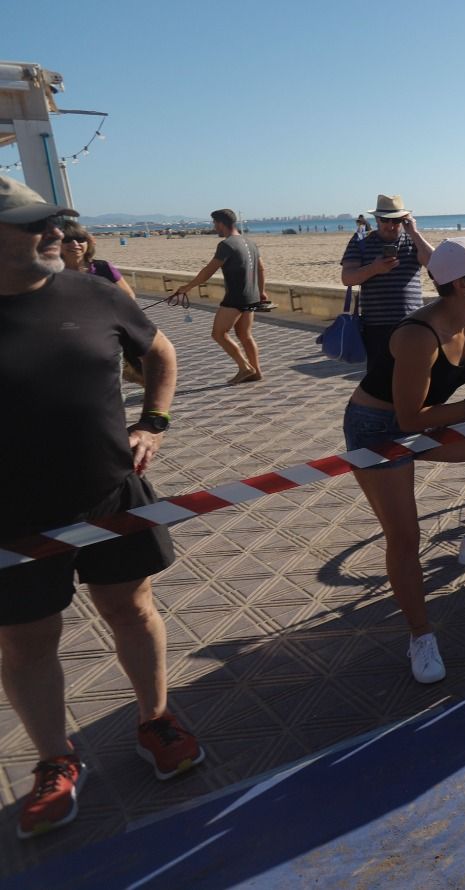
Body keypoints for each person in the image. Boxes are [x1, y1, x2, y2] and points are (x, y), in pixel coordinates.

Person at [0, 178, 201, 839]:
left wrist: (156, 422)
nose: (56, 231)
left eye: (55, 220)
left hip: (109, 495)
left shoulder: (95, 292)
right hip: (12, 518)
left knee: (131, 609)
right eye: (36, 223)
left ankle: (156, 719)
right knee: (28, 644)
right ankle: (57, 761)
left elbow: (161, 351)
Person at [344, 237, 465, 683]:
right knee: (404, 536)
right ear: (461, 285)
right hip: (378, 429)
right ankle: (420, 634)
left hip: (432, 417)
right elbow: (409, 417)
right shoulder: (418, 335)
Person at [340, 194, 435, 376]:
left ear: (404, 220)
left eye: (397, 220)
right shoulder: (361, 242)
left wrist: (415, 233)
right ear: (376, 219)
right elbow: (347, 278)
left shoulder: (413, 241)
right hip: (376, 327)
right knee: (379, 378)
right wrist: (374, 269)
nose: (391, 226)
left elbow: (436, 264)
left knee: (414, 374)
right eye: (385, 220)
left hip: (412, 323)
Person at [172, 209, 266, 384]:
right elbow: (261, 269)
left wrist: (188, 287)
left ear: (221, 223)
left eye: (215, 223)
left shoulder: (227, 245)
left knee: (218, 333)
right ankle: (256, 372)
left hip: (236, 298)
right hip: (251, 296)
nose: (214, 227)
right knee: (245, 335)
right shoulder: (250, 243)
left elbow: (209, 270)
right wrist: (261, 291)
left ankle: (245, 367)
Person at [58, 219, 137, 302]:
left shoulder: (103, 267)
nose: (75, 244)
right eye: (66, 240)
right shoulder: (51, 273)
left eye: (80, 239)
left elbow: (129, 296)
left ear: (87, 242)